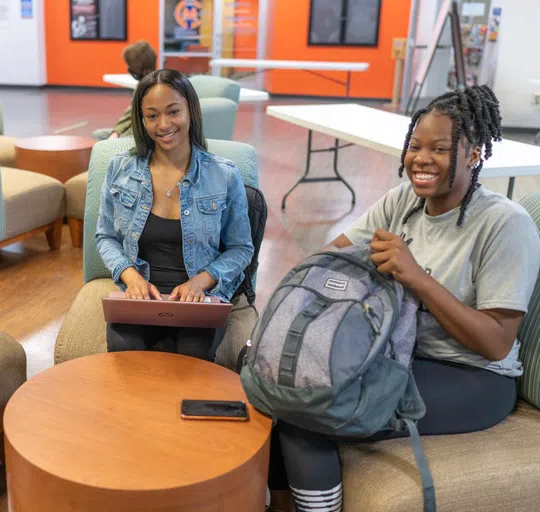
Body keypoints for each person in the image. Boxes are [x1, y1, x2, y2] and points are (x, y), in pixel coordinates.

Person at [266, 85, 540, 512]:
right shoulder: (403, 202)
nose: (421, 159)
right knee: (283, 393)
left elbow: (496, 342)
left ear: (474, 154)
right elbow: (332, 255)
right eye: (415, 146)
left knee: (309, 418)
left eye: (441, 148)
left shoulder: (504, 224)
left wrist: (416, 278)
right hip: (399, 353)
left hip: (474, 377)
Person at [96, 69, 254, 361]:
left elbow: (241, 248)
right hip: (140, 295)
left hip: (199, 296)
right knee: (123, 354)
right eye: (152, 115)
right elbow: (105, 236)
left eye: (173, 112)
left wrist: (201, 282)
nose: (164, 124)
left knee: (193, 358)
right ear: (141, 120)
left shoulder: (224, 174)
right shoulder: (120, 168)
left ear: (191, 111)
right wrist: (131, 279)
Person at [93, 40, 158, 140]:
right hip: (133, 129)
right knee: (98, 134)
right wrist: (116, 132)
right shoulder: (144, 84)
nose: (128, 68)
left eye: (130, 65)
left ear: (138, 66)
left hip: (141, 134)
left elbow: (138, 122)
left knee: (102, 139)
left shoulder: (147, 88)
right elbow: (130, 114)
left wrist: (117, 136)